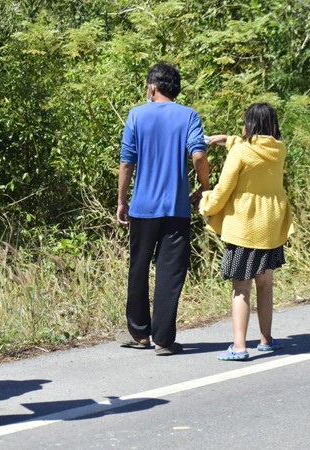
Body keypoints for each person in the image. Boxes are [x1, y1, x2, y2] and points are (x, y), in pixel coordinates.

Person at [115, 63, 209, 356]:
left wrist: (121, 201)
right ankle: (164, 340)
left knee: (138, 268)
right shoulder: (188, 115)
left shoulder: (136, 115)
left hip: (142, 208)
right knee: (170, 273)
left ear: (153, 87)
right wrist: (205, 188)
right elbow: (199, 155)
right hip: (176, 208)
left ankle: (140, 333)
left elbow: (127, 163)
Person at [199, 102, 293, 361]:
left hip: (245, 225)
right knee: (265, 283)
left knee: (241, 286)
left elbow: (224, 189)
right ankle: (266, 340)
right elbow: (254, 149)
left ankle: (239, 347)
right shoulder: (279, 149)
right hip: (271, 223)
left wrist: (205, 203)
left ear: (249, 125)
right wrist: (226, 140)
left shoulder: (240, 152)